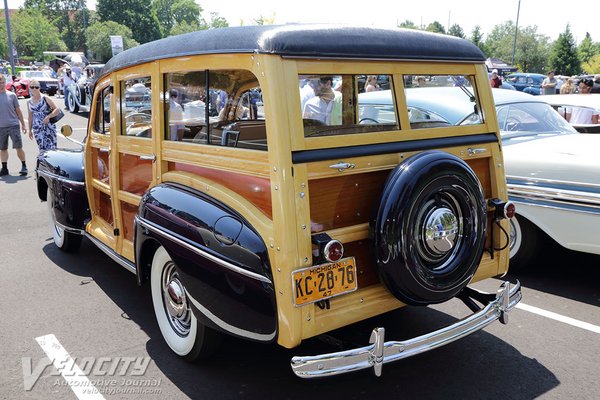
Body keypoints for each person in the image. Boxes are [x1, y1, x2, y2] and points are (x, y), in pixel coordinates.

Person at [0, 74, 29, 176]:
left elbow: (18, 111)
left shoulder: (11, 95)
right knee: (2, 148)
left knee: (18, 147)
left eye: (3, 82)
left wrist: (23, 124)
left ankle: (24, 166)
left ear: (5, 83)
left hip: (13, 125)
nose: (1, 85)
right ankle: (4, 168)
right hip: (1, 127)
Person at [27, 79, 60, 156]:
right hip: (37, 128)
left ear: (39, 88)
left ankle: (53, 166)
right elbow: (30, 116)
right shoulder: (29, 101)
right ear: (29, 88)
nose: (34, 89)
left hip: (48, 127)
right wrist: (30, 130)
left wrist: (48, 117)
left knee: (51, 148)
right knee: (41, 148)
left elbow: (57, 109)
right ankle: (44, 165)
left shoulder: (45, 98)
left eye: (36, 87)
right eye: (32, 87)